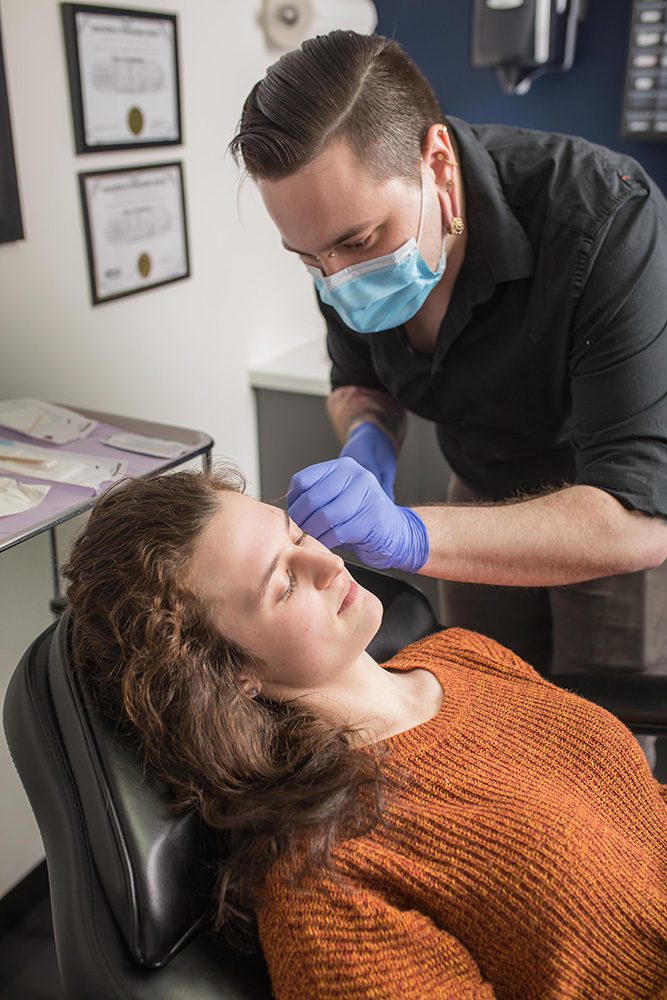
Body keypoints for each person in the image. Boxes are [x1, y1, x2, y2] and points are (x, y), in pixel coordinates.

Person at [229, 29, 667, 770]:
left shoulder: (601, 218)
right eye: (309, 260)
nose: (337, 278)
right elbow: (359, 382)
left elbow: (639, 516)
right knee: (489, 721)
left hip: (600, 520)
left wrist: (407, 535)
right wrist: (366, 439)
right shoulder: (336, 246)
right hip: (475, 493)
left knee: (599, 750)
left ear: (435, 163)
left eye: (358, 242)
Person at [63, 469, 667, 999]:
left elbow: (639, 814)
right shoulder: (326, 876)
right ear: (231, 672)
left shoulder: (461, 654)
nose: (330, 562)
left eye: (297, 534)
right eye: (283, 584)